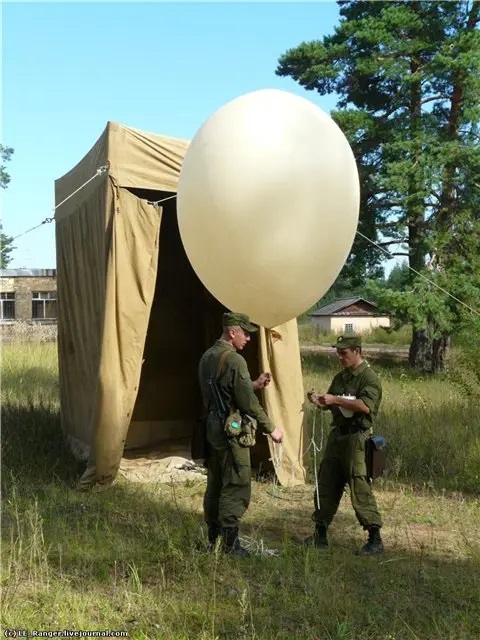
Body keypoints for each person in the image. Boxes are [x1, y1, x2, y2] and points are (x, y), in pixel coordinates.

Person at [198, 311, 283, 557]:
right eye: (244, 333)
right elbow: (248, 404)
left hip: (212, 426)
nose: (247, 338)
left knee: (214, 481)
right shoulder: (235, 361)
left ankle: (213, 538)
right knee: (236, 481)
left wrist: (252, 385)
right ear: (231, 332)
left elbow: (223, 391)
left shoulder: (207, 356)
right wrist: (271, 429)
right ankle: (230, 543)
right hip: (230, 430)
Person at [303, 334, 384, 555]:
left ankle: (374, 538)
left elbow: (365, 406)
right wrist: (320, 401)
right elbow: (332, 403)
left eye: (344, 352)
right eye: (337, 352)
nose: (339, 357)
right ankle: (320, 534)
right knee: (326, 482)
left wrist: (336, 400)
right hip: (337, 437)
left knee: (359, 486)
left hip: (357, 439)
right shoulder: (341, 377)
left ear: (357, 351)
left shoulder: (369, 378)